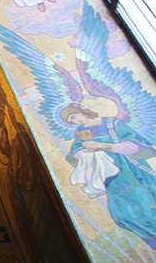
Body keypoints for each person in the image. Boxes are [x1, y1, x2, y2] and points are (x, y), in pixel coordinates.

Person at [63, 105, 156, 249]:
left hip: (132, 173)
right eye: (71, 120)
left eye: (74, 116)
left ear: (80, 111)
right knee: (124, 216)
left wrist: (102, 145)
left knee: (147, 209)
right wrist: (85, 150)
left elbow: (135, 146)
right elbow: (73, 155)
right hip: (112, 179)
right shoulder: (80, 132)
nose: (75, 121)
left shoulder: (113, 123)